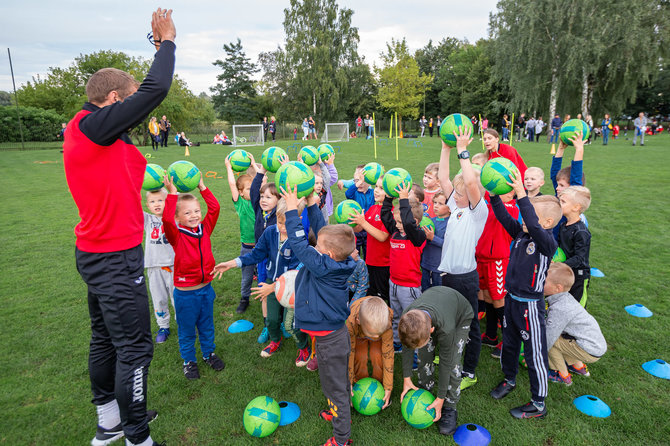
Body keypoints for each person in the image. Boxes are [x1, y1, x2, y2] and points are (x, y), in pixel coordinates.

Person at [62, 9, 174, 446]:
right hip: (112, 256)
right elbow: (156, 88)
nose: (133, 111)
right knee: (135, 349)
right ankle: (137, 436)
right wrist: (167, 43)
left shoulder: (91, 130)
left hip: (97, 251)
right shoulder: (93, 128)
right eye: (126, 104)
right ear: (112, 102)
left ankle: (110, 422)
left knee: (106, 340)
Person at [283, 186, 357, 446]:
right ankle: (341, 409)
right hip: (333, 337)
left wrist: (292, 210)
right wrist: (313, 205)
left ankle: (341, 438)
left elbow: (300, 245)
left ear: (328, 255)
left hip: (329, 342)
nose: (315, 248)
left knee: (334, 388)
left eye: (319, 247)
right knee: (337, 382)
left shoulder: (323, 266)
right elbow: (321, 232)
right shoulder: (333, 260)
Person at [488, 172, 561, 419]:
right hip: (511, 301)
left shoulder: (546, 243)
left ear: (547, 222)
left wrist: (521, 194)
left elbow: (528, 214)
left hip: (530, 306)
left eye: (531, 216)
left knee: (534, 354)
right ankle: (509, 380)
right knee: (508, 344)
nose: (523, 218)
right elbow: (503, 216)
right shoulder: (522, 234)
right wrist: (494, 192)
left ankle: (538, 403)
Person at [211, 198, 310, 364]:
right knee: (271, 320)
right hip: (272, 282)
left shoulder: (300, 237)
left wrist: (274, 286)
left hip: (292, 287)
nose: (283, 227)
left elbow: (299, 268)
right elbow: (256, 254)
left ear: (298, 220)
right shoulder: (270, 232)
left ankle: (303, 347)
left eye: (288, 224)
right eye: (280, 222)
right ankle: (275, 341)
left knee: (290, 325)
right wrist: (231, 263)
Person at [437, 130, 488, 391]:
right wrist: (446, 148)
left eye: (459, 193)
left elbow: (469, 184)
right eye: (453, 194)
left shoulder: (478, 211)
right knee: (447, 321)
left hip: (465, 278)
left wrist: (462, 150)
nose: (453, 197)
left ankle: (469, 371)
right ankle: (447, 355)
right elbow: (444, 178)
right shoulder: (457, 206)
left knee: (469, 325)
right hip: (446, 276)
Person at [162, 175, 225, 381]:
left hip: (206, 289)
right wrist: (172, 195)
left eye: (197, 211)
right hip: (186, 294)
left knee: (207, 326)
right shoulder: (176, 234)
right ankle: (189, 361)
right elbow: (166, 219)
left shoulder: (204, 229)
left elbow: (214, 208)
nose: (194, 215)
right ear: (178, 218)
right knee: (188, 330)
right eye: (187, 213)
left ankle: (209, 354)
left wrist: (202, 187)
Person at [399, 286, 474, 436]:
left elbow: (446, 364)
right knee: (424, 355)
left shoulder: (446, 329)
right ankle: (425, 389)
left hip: (460, 315)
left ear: (431, 331)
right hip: (436, 304)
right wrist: (406, 378)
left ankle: (449, 406)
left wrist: (441, 398)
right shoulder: (407, 317)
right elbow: (407, 346)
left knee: (453, 363)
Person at [381, 183, 427, 351]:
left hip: (409, 288)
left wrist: (404, 200)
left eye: (400, 221)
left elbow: (407, 223)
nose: (398, 224)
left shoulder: (417, 236)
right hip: (393, 283)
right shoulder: (396, 232)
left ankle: (415, 353)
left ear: (413, 221)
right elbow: (386, 216)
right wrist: (388, 199)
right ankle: (397, 343)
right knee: (396, 316)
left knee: (412, 320)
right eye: (397, 221)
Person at [544, 263, 607, 385]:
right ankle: (578, 367)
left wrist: (534, 355)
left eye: (544, 282)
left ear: (558, 288)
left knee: (551, 342)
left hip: (590, 349)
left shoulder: (560, 308)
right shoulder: (565, 298)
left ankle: (561, 374)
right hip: (594, 345)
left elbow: (548, 338)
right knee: (562, 341)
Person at [475, 188, 518, 358]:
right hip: (482, 257)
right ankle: (491, 335)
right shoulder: (490, 202)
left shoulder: (510, 206)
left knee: (499, 298)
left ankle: (509, 341)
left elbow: (499, 210)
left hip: (497, 260)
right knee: (487, 297)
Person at [247, 153, 282, 343]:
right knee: (263, 291)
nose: (263, 199)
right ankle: (268, 324)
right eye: (262, 196)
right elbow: (253, 191)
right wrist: (261, 171)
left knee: (281, 290)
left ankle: (281, 322)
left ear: (279, 200)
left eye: (269, 197)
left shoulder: (279, 215)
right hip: (262, 260)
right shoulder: (259, 211)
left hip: (279, 259)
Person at [347, 296, 394, 410]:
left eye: (377, 334)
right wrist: (348, 384)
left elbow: (388, 355)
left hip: (377, 329)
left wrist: (388, 387)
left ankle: (379, 386)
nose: (376, 337)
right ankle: (359, 384)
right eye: (373, 334)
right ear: (358, 320)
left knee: (377, 355)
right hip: (358, 336)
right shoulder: (350, 323)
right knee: (360, 355)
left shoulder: (386, 322)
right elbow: (349, 354)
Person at [349, 178, 391, 304]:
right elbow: (359, 228)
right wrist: (355, 221)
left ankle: (385, 322)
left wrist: (363, 222)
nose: (376, 191)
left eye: (381, 188)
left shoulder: (389, 212)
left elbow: (383, 236)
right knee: (371, 295)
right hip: (370, 261)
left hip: (383, 265)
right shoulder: (373, 208)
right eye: (376, 187)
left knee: (382, 299)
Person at [143, 189, 175, 344]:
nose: (156, 204)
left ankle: (183, 323)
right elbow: (132, 207)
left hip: (174, 266)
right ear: (147, 205)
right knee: (159, 299)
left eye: (160, 200)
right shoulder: (147, 220)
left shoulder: (174, 218)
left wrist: (172, 192)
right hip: (154, 266)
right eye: (152, 201)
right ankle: (163, 326)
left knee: (178, 298)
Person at [224, 158, 255, 313]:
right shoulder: (241, 203)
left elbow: (262, 182)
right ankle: (244, 298)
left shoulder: (260, 201)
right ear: (241, 192)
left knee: (266, 274)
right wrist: (229, 167)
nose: (253, 190)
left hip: (264, 246)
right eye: (248, 189)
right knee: (247, 275)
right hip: (248, 247)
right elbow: (231, 184)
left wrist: (253, 165)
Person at [558, 186, 592, 306]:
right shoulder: (563, 225)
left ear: (576, 207)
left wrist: (560, 266)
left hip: (579, 276)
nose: (559, 204)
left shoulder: (581, 232)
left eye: (563, 202)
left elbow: (579, 258)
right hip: (566, 272)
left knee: (577, 307)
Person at [420, 191, 449, 291]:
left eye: (440, 204)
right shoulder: (430, 220)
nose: (436, 206)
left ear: (450, 207)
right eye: (435, 203)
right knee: (425, 292)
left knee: (438, 293)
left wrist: (433, 238)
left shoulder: (451, 224)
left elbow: (449, 245)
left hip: (439, 268)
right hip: (425, 264)